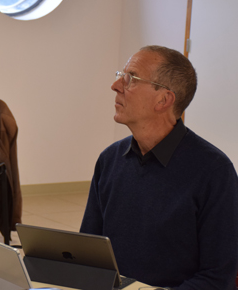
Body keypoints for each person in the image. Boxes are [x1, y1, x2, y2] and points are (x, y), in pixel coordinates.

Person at [80, 45, 238, 289]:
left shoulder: (214, 171)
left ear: (164, 99)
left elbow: (217, 277)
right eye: (120, 75)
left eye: (131, 78)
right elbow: (87, 253)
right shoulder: (109, 160)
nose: (116, 85)